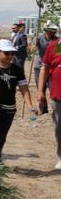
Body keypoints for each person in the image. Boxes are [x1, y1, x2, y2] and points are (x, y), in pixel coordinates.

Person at [38, 32, 61, 170]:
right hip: (58, 96)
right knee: (59, 127)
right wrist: (40, 90)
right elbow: (46, 67)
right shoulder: (57, 46)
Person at [34, 23, 58, 114]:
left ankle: (56, 108)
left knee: (53, 87)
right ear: (46, 30)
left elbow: (58, 53)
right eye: (51, 30)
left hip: (51, 67)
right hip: (39, 66)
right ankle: (43, 109)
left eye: (54, 30)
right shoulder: (39, 38)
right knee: (41, 88)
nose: (53, 32)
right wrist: (33, 44)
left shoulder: (57, 40)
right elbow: (32, 47)